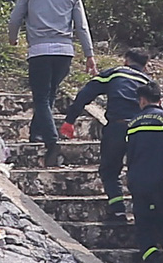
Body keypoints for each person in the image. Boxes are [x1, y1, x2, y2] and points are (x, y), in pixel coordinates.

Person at [8, 0, 95, 166]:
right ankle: (35, 134)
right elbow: (82, 28)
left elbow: (15, 19)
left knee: (41, 97)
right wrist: (89, 55)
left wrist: (13, 38)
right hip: (64, 54)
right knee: (50, 95)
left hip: (39, 52)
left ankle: (51, 140)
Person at [66, 48, 154, 220]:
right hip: (142, 131)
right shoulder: (148, 81)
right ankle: (144, 213)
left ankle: (118, 209)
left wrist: (70, 119)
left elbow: (86, 93)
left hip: (117, 127)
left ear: (126, 60)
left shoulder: (116, 73)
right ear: (145, 66)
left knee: (110, 171)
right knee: (139, 173)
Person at [126, 82, 163, 263]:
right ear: (160, 100)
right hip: (162, 180)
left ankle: (150, 257)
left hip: (138, 179)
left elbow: (130, 153)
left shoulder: (133, 123)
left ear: (142, 100)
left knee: (142, 219)